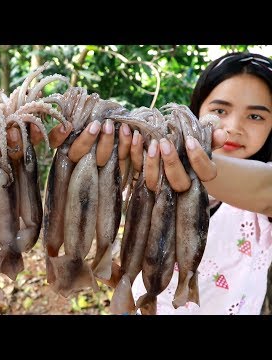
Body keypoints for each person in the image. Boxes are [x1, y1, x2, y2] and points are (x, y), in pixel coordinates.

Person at [61, 51, 272, 314]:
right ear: (198, 110)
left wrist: (185, 158)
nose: (233, 126)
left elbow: (266, 189)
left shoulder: (261, 206)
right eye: (220, 110)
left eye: (256, 116)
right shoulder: (145, 176)